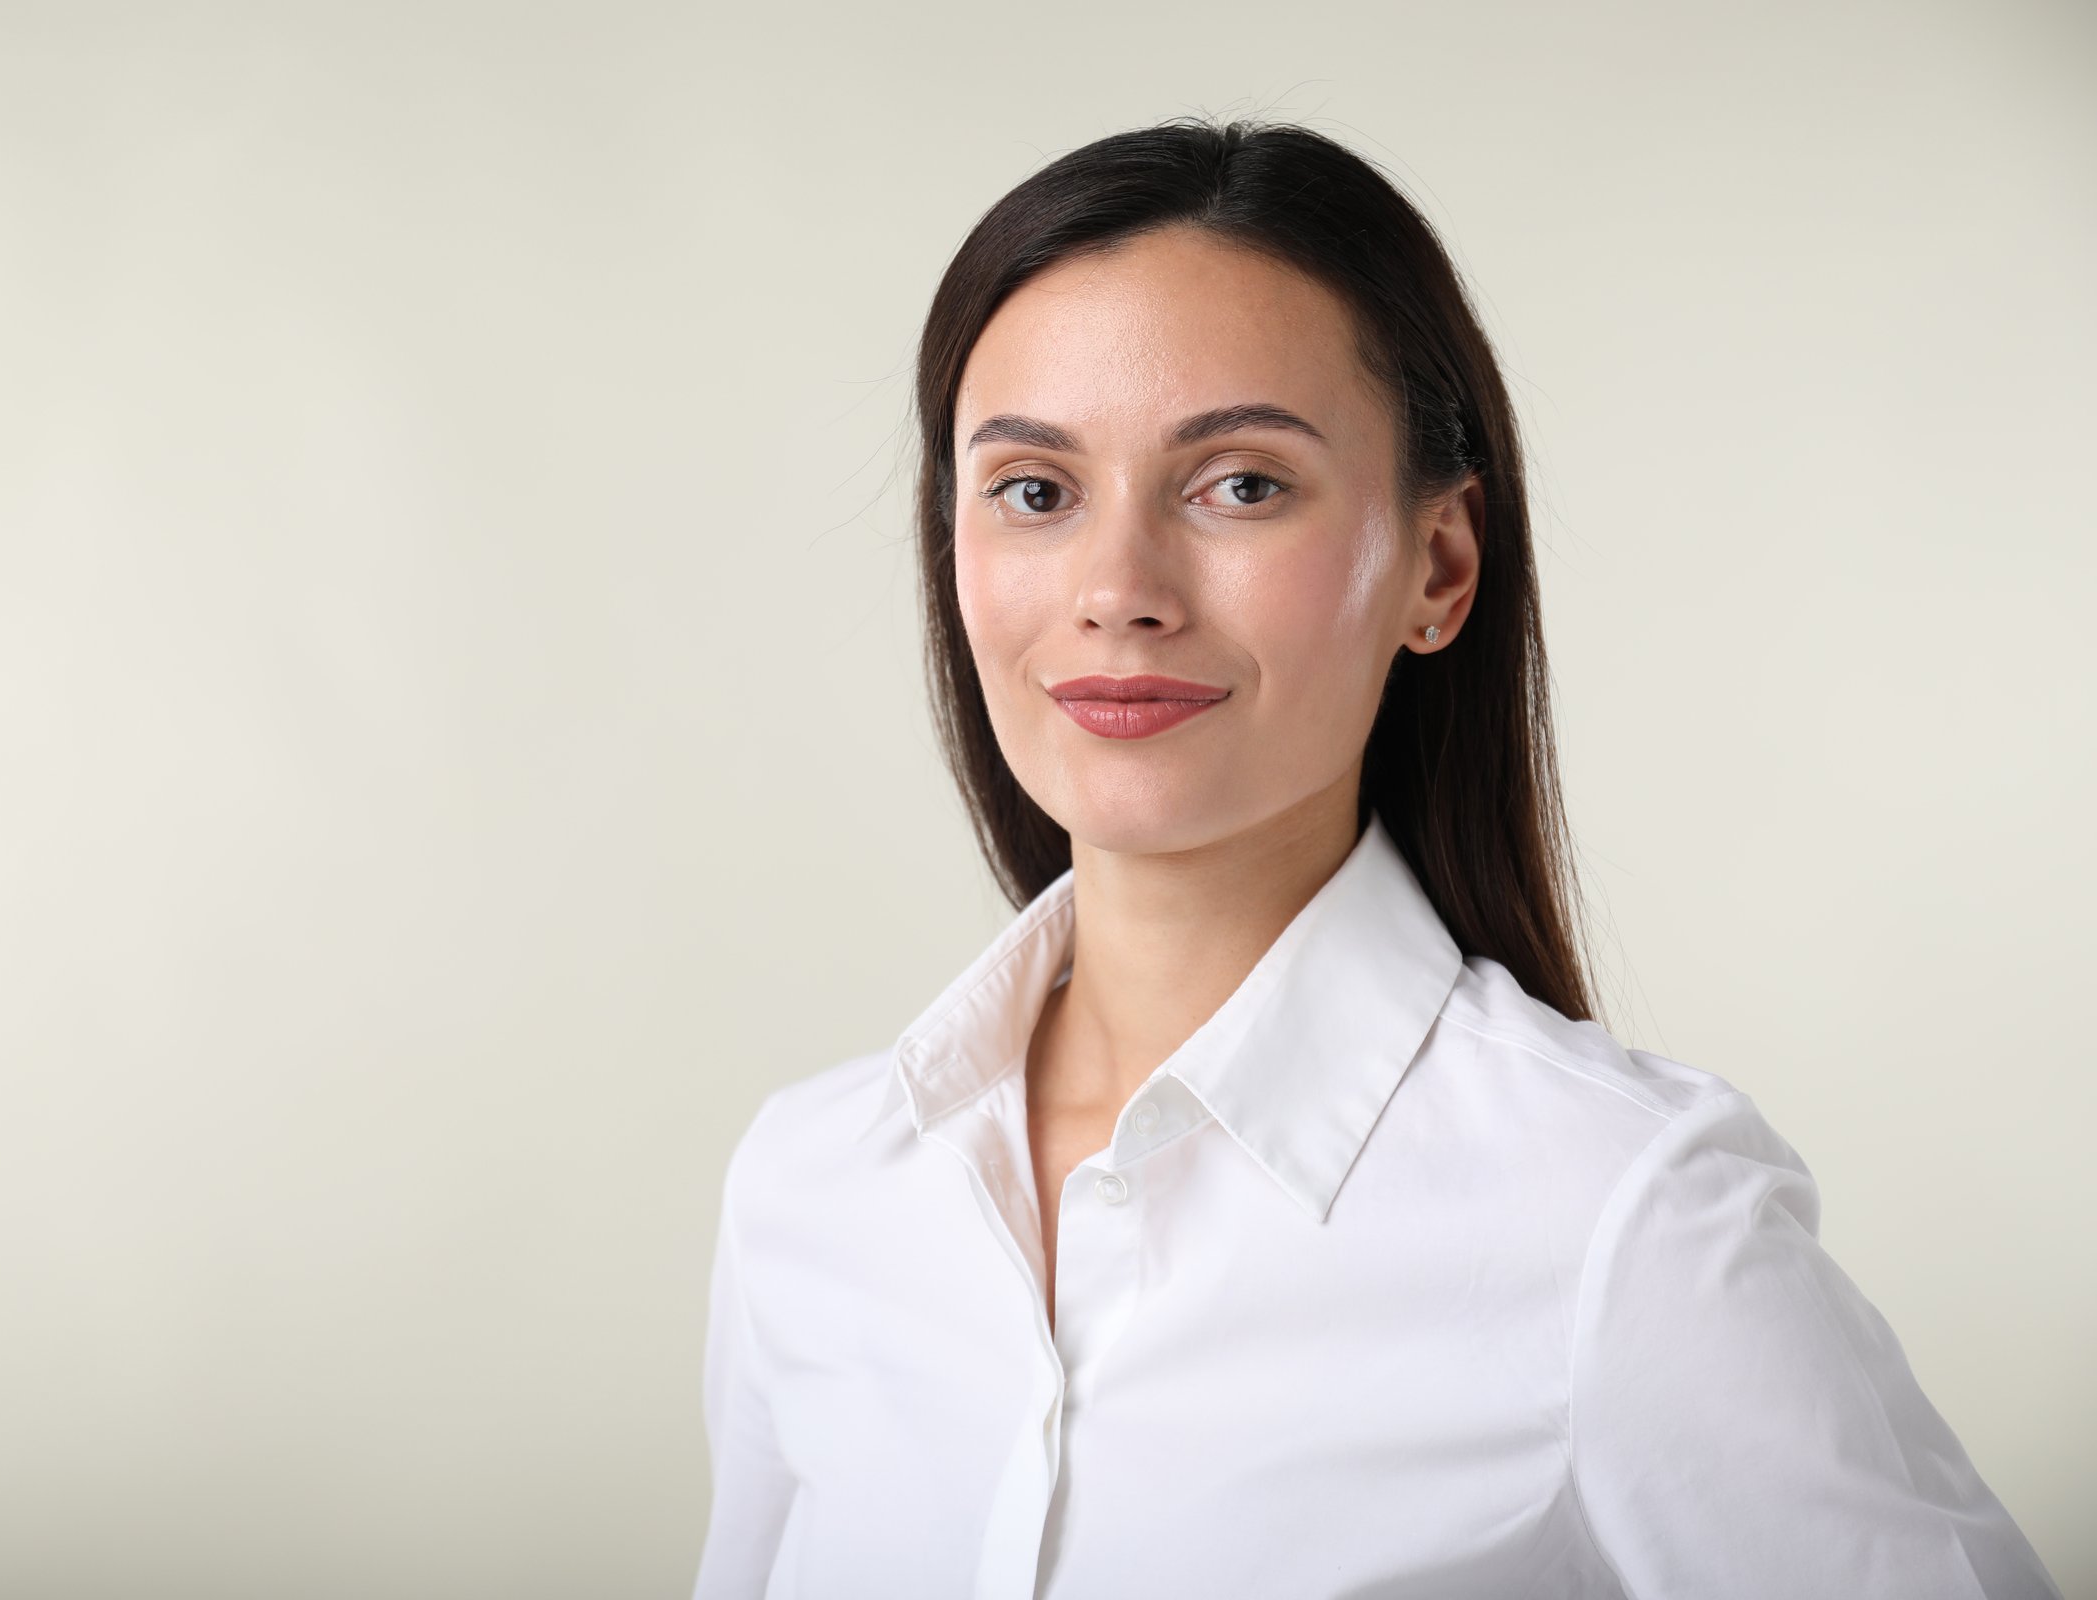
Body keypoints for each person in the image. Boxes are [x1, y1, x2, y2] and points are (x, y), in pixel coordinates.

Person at [690, 118, 2060, 1599]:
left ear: (1438, 566)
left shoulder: (1625, 1217)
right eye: (1035, 490)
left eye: (1241, 484)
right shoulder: (813, 1191)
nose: (1116, 591)